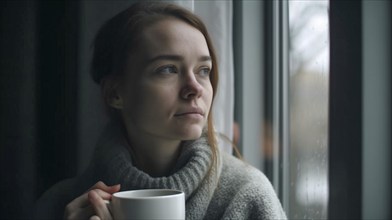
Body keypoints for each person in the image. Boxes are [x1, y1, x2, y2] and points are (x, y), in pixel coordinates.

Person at [35, 2, 286, 219]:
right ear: (115, 93)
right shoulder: (59, 205)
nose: (194, 88)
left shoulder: (247, 196)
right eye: (168, 69)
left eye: (203, 70)